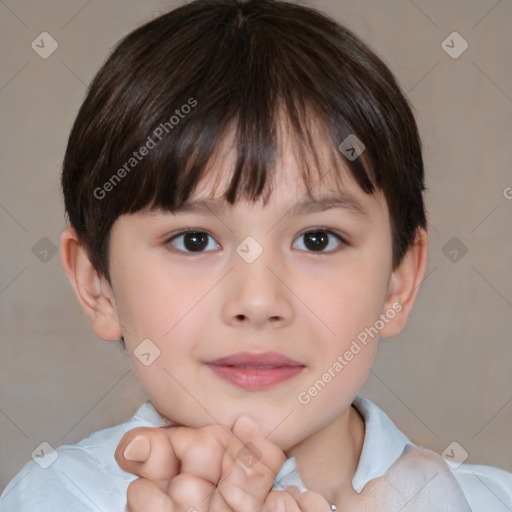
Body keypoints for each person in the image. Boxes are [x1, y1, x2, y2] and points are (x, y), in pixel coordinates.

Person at [1, 0, 511, 510]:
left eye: (318, 239)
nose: (260, 300)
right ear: (97, 284)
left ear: (399, 282)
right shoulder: (53, 498)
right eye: (194, 240)